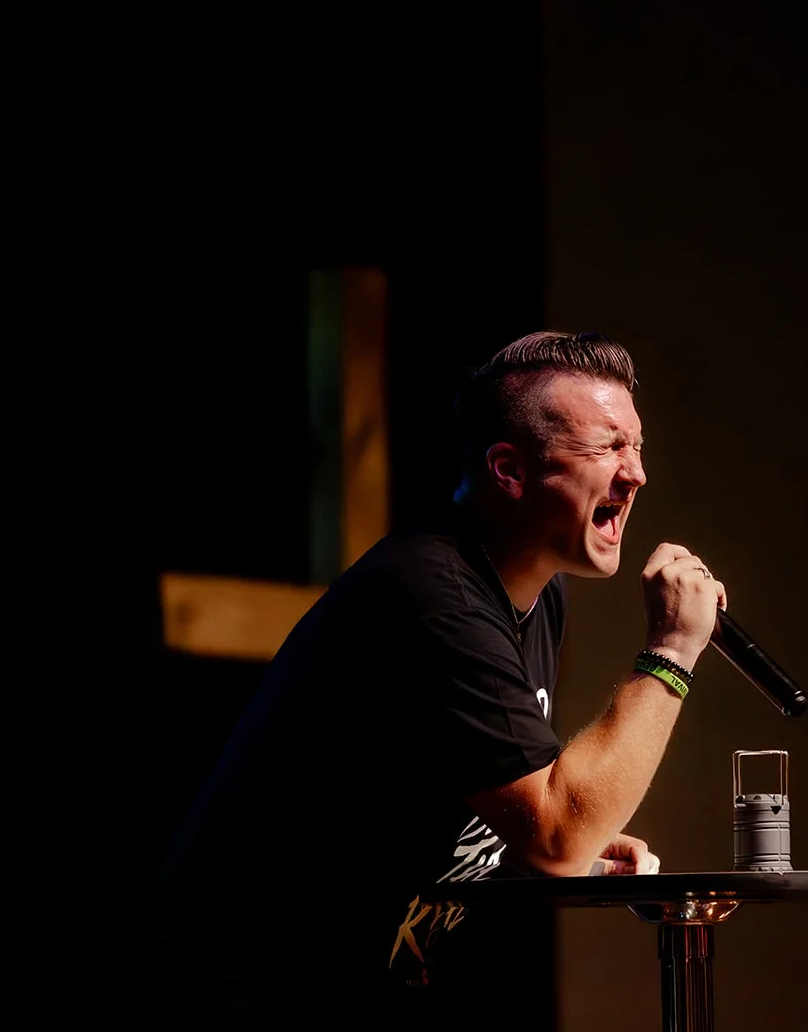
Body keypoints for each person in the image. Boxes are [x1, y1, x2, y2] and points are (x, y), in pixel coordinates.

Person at [134, 331, 726, 1028]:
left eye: (637, 444)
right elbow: (559, 829)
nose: (636, 473)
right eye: (607, 447)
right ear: (508, 469)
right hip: (243, 993)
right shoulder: (431, 591)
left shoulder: (537, 598)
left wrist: (581, 856)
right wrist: (671, 650)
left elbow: (485, 805)